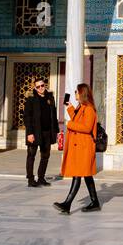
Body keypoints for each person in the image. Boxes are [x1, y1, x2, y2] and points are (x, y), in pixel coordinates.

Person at [54, 83, 100, 214]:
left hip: (84, 148)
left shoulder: (89, 109)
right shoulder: (82, 107)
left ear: (82, 93)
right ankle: (95, 201)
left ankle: (67, 204)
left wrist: (70, 124)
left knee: (78, 174)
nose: (75, 94)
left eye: (76, 92)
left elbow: (86, 127)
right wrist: (70, 109)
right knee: (86, 175)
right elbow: (78, 119)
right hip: (80, 147)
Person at [23, 78, 57, 188]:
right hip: (34, 132)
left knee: (45, 155)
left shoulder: (50, 98)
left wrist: (55, 131)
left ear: (45, 85)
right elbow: (27, 117)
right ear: (35, 88)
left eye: (42, 85)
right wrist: (29, 133)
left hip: (47, 131)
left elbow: (54, 115)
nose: (41, 88)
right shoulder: (31, 99)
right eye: (38, 87)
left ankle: (41, 178)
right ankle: (30, 179)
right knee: (31, 155)